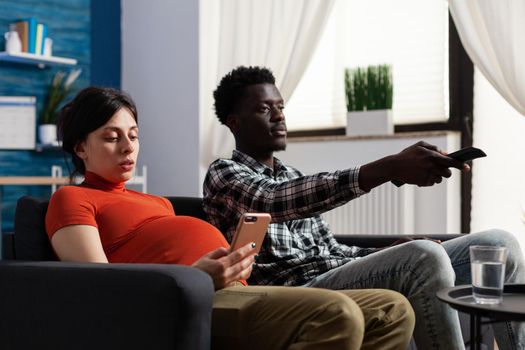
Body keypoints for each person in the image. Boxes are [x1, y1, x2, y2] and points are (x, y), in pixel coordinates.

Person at [45, 86, 415, 350]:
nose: (128, 147)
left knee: (391, 309)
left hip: (236, 290)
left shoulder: (156, 203)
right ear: (81, 147)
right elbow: (97, 288)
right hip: (192, 301)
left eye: (134, 135)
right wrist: (197, 279)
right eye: (112, 138)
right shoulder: (71, 198)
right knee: (337, 313)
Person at [203, 66, 525, 350]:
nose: (279, 116)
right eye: (264, 109)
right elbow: (273, 200)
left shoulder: (292, 175)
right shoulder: (225, 173)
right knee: (425, 256)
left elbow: (331, 249)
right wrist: (387, 168)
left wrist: (383, 251)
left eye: (281, 107)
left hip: (331, 274)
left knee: (499, 243)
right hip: (294, 292)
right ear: (235, 122)